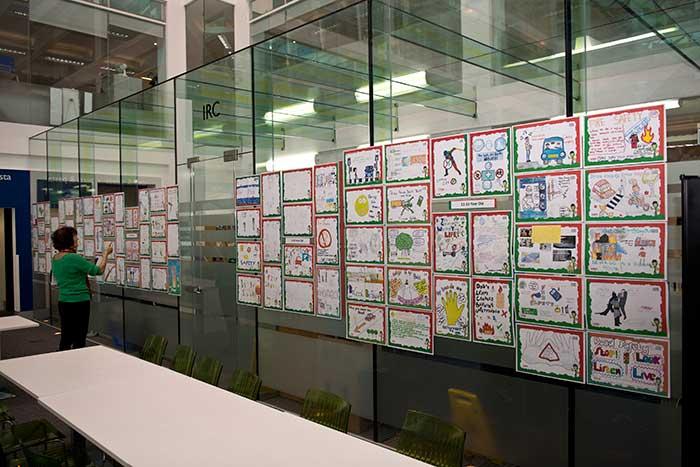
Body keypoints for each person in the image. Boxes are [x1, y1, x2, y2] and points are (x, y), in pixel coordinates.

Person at [51, 226, 113, 351]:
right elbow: (98, 270)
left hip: (63, 301)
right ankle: (78, 363)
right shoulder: (74, 258)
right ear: (69, 241)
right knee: (79, 337)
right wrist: (106, 254)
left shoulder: (56, 258)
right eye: (75, 239)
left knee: (66, 336)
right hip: (79, 302)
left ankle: (64, 361)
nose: (78, 241)